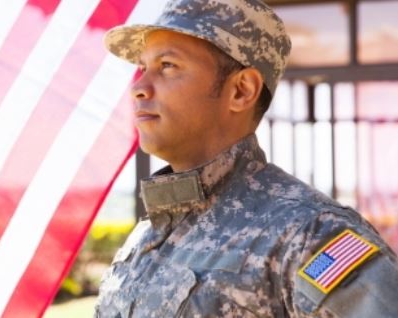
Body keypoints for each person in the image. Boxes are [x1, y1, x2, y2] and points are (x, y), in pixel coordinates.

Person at [94, 0, 398, 317]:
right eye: (143, 67)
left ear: (241, 90)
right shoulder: (149, 232)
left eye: (168, 65)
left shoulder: (310, 234)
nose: (139, 87)